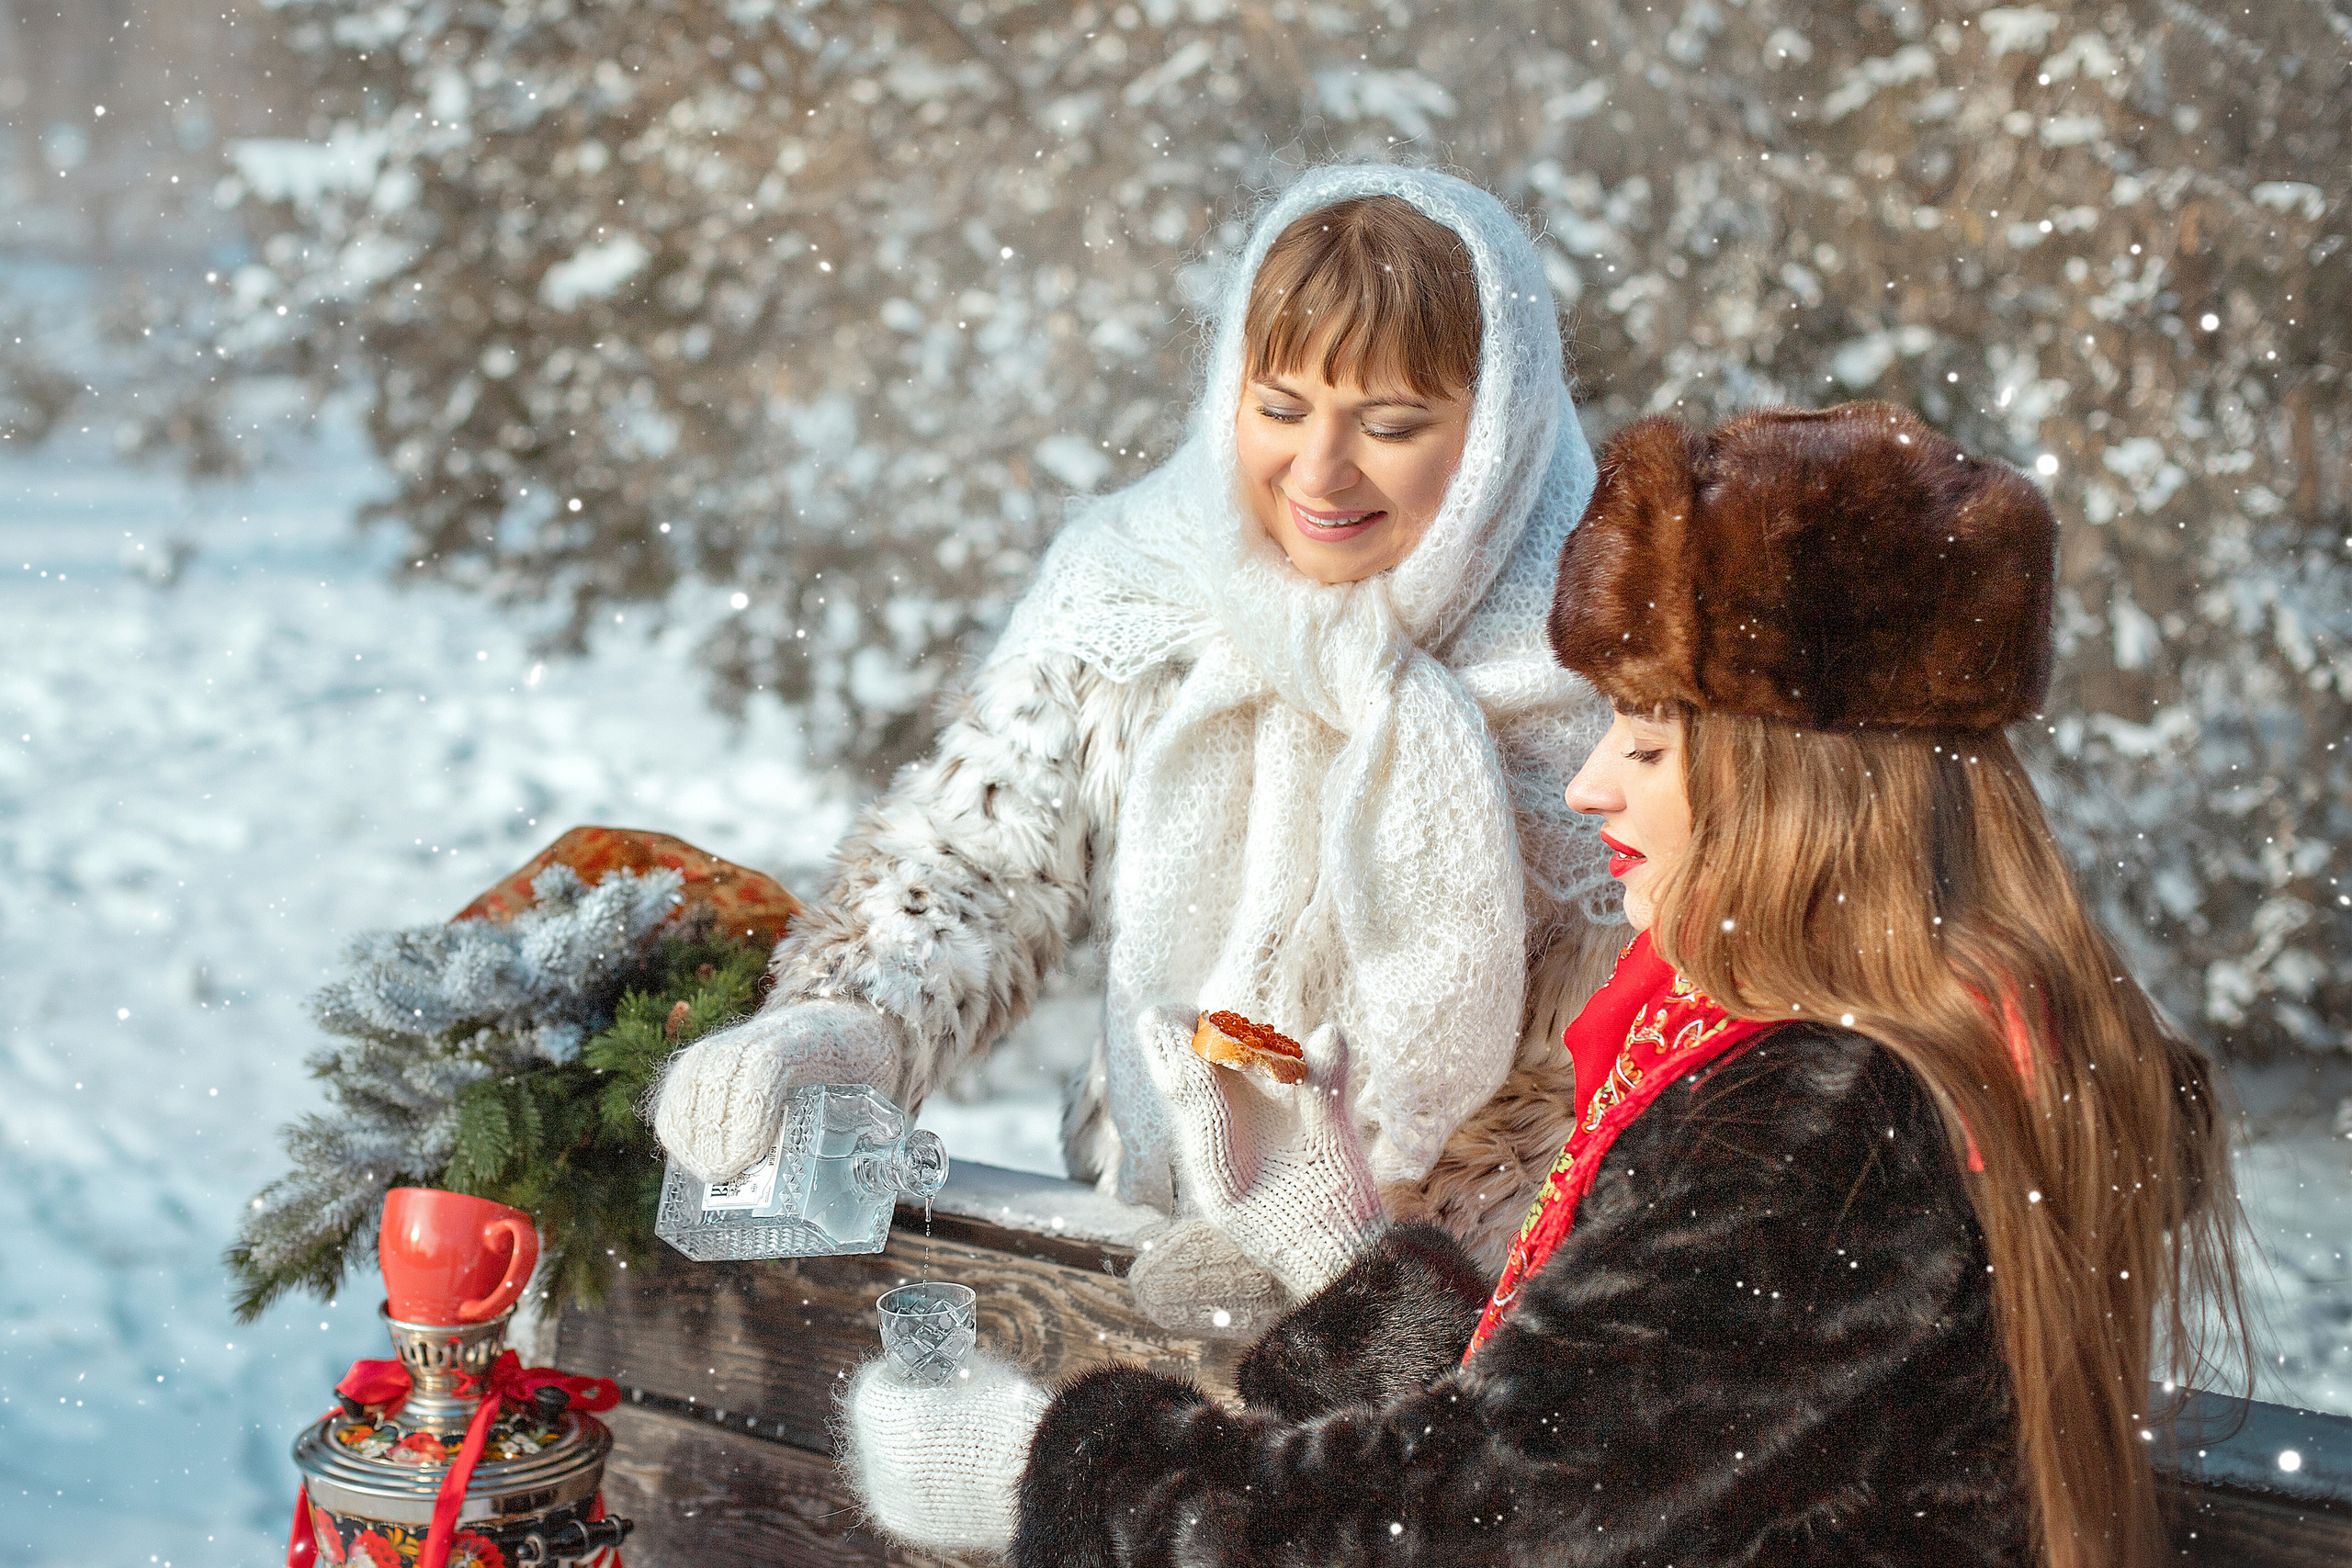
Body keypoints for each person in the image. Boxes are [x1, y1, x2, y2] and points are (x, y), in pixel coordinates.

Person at [840, 401, 2247, 1566]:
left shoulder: (1834, 1114)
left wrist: (1052, 1471)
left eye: (1650, 742)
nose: (1591, 783)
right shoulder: (1856, 1050)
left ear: (1797, 788)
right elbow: (1635, 1440)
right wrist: (1341, 1246)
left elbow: (1479, 1516)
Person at [653, 165, 1624, 1325]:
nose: (1319, 471)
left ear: (1500, 428)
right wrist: (845, 1027)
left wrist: (1358, 1255)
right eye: (1280, 409)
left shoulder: (1610, 654)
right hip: (1138, 1241)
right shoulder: (1131, 587)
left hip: (1478, 1310)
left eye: (1389, 425)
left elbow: (1619, 1044)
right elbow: (979, 860)